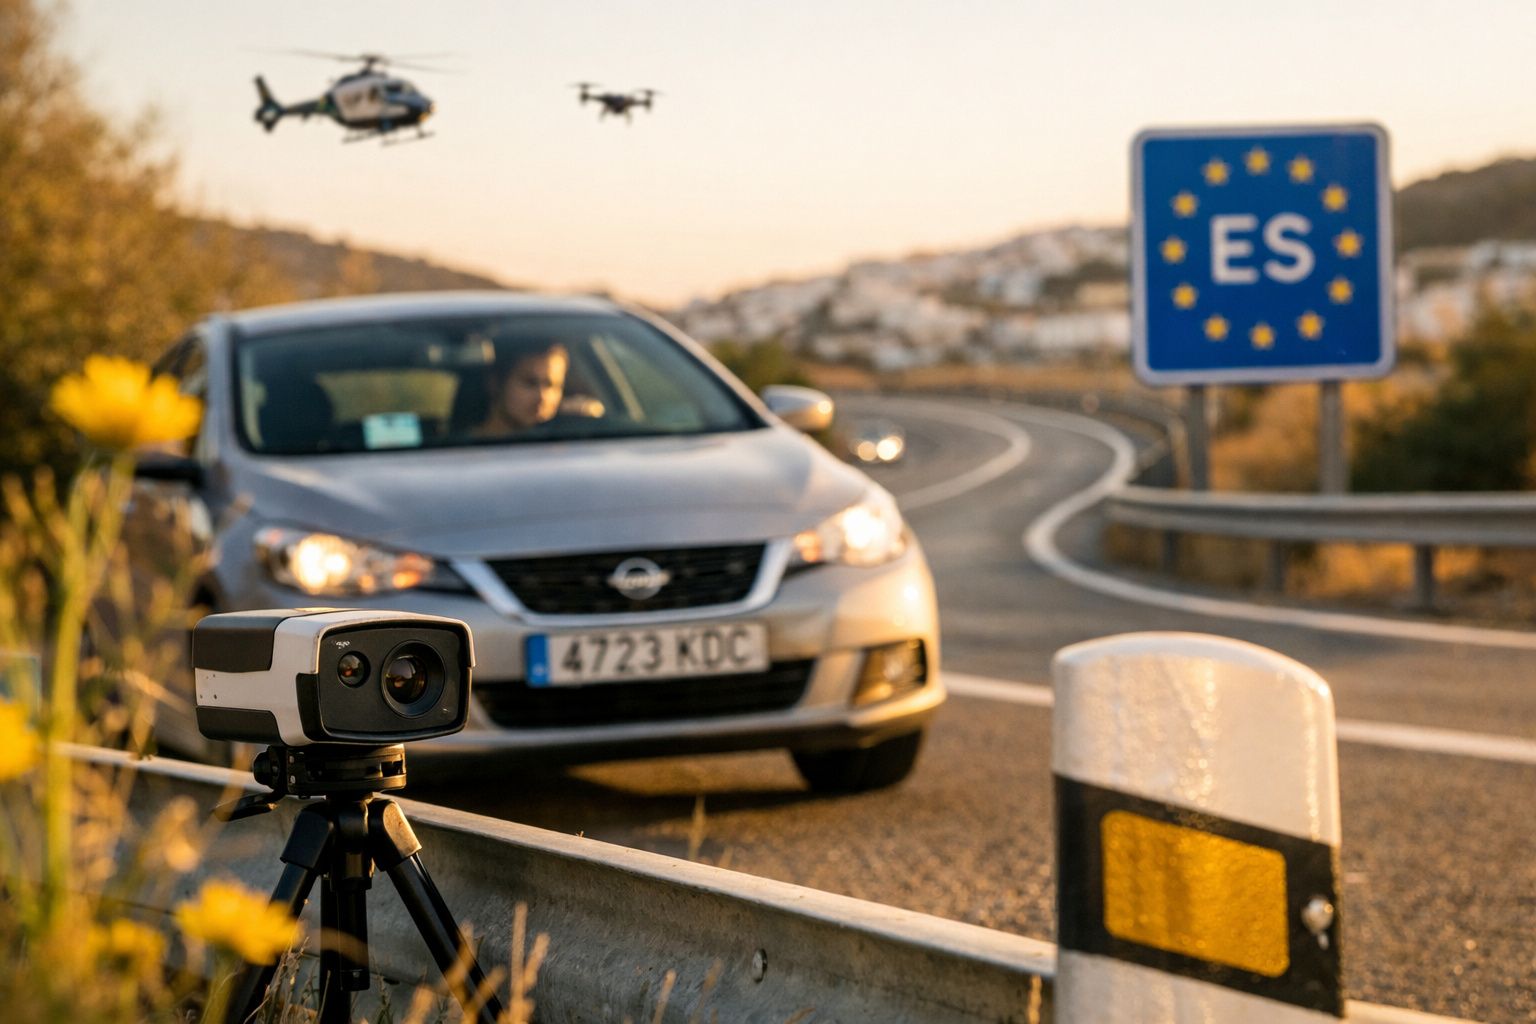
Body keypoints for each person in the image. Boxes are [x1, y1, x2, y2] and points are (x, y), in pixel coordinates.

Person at [473, 340, 569, 436]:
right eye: (530, 383)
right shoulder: (466, 448)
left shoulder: (573, 444)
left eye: (551, 385)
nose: (542, 397)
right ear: (495, 384)